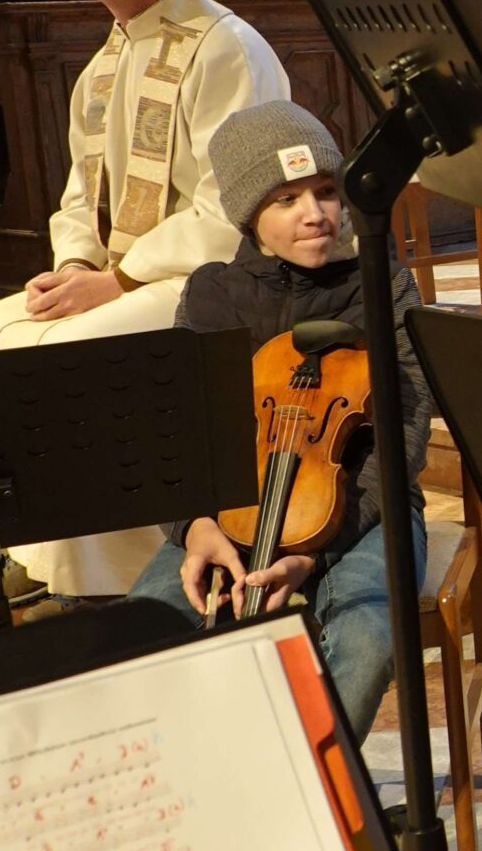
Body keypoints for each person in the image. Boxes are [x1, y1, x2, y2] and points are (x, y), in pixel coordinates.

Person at [0, 0, 288, 596]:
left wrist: (115, 281)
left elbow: (233, 212)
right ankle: (37, 554)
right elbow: (78, 198)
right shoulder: (103, 63)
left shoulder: (224, 47)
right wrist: (75, 265)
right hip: (123, 275)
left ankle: (104, 580)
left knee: (55, 355)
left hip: (216, 280)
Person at [126, 101, 431, 740]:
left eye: (326, 191)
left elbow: (402, 439)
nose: (315, 213)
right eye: (286, 199)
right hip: (231, 511)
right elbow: (177, 432)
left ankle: (318, 779)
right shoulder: (211, 293)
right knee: (142, 634)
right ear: (249, 216)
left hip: (364, 508)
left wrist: (312, 555)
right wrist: (192, 525)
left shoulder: (384, 284)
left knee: (369, 638)